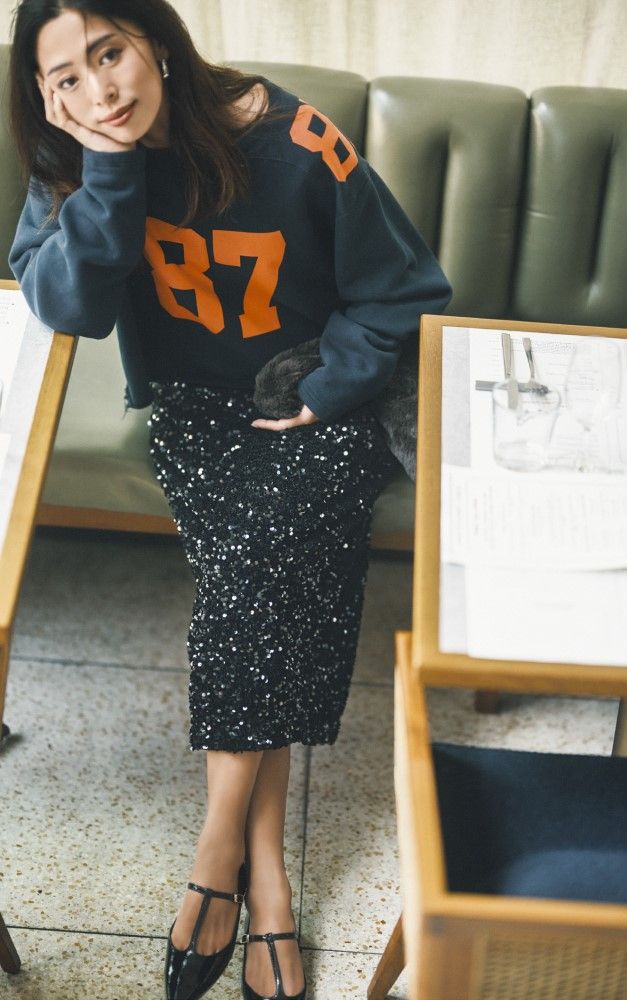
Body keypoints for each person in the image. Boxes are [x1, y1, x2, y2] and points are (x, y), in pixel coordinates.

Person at [8, 2, 453, 997]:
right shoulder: (74, 162)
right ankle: (267, 878)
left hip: (313, 401)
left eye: (110, 53)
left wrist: (329, 384)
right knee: (265, 566)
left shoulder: (293, 140)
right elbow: (68, 305)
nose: (100, 90)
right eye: (67, 78)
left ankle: (219, 859)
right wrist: (109, 171)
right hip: (193, 412)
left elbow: (404, 286)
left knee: (261, 560)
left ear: (155, 41)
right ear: (45, 96)